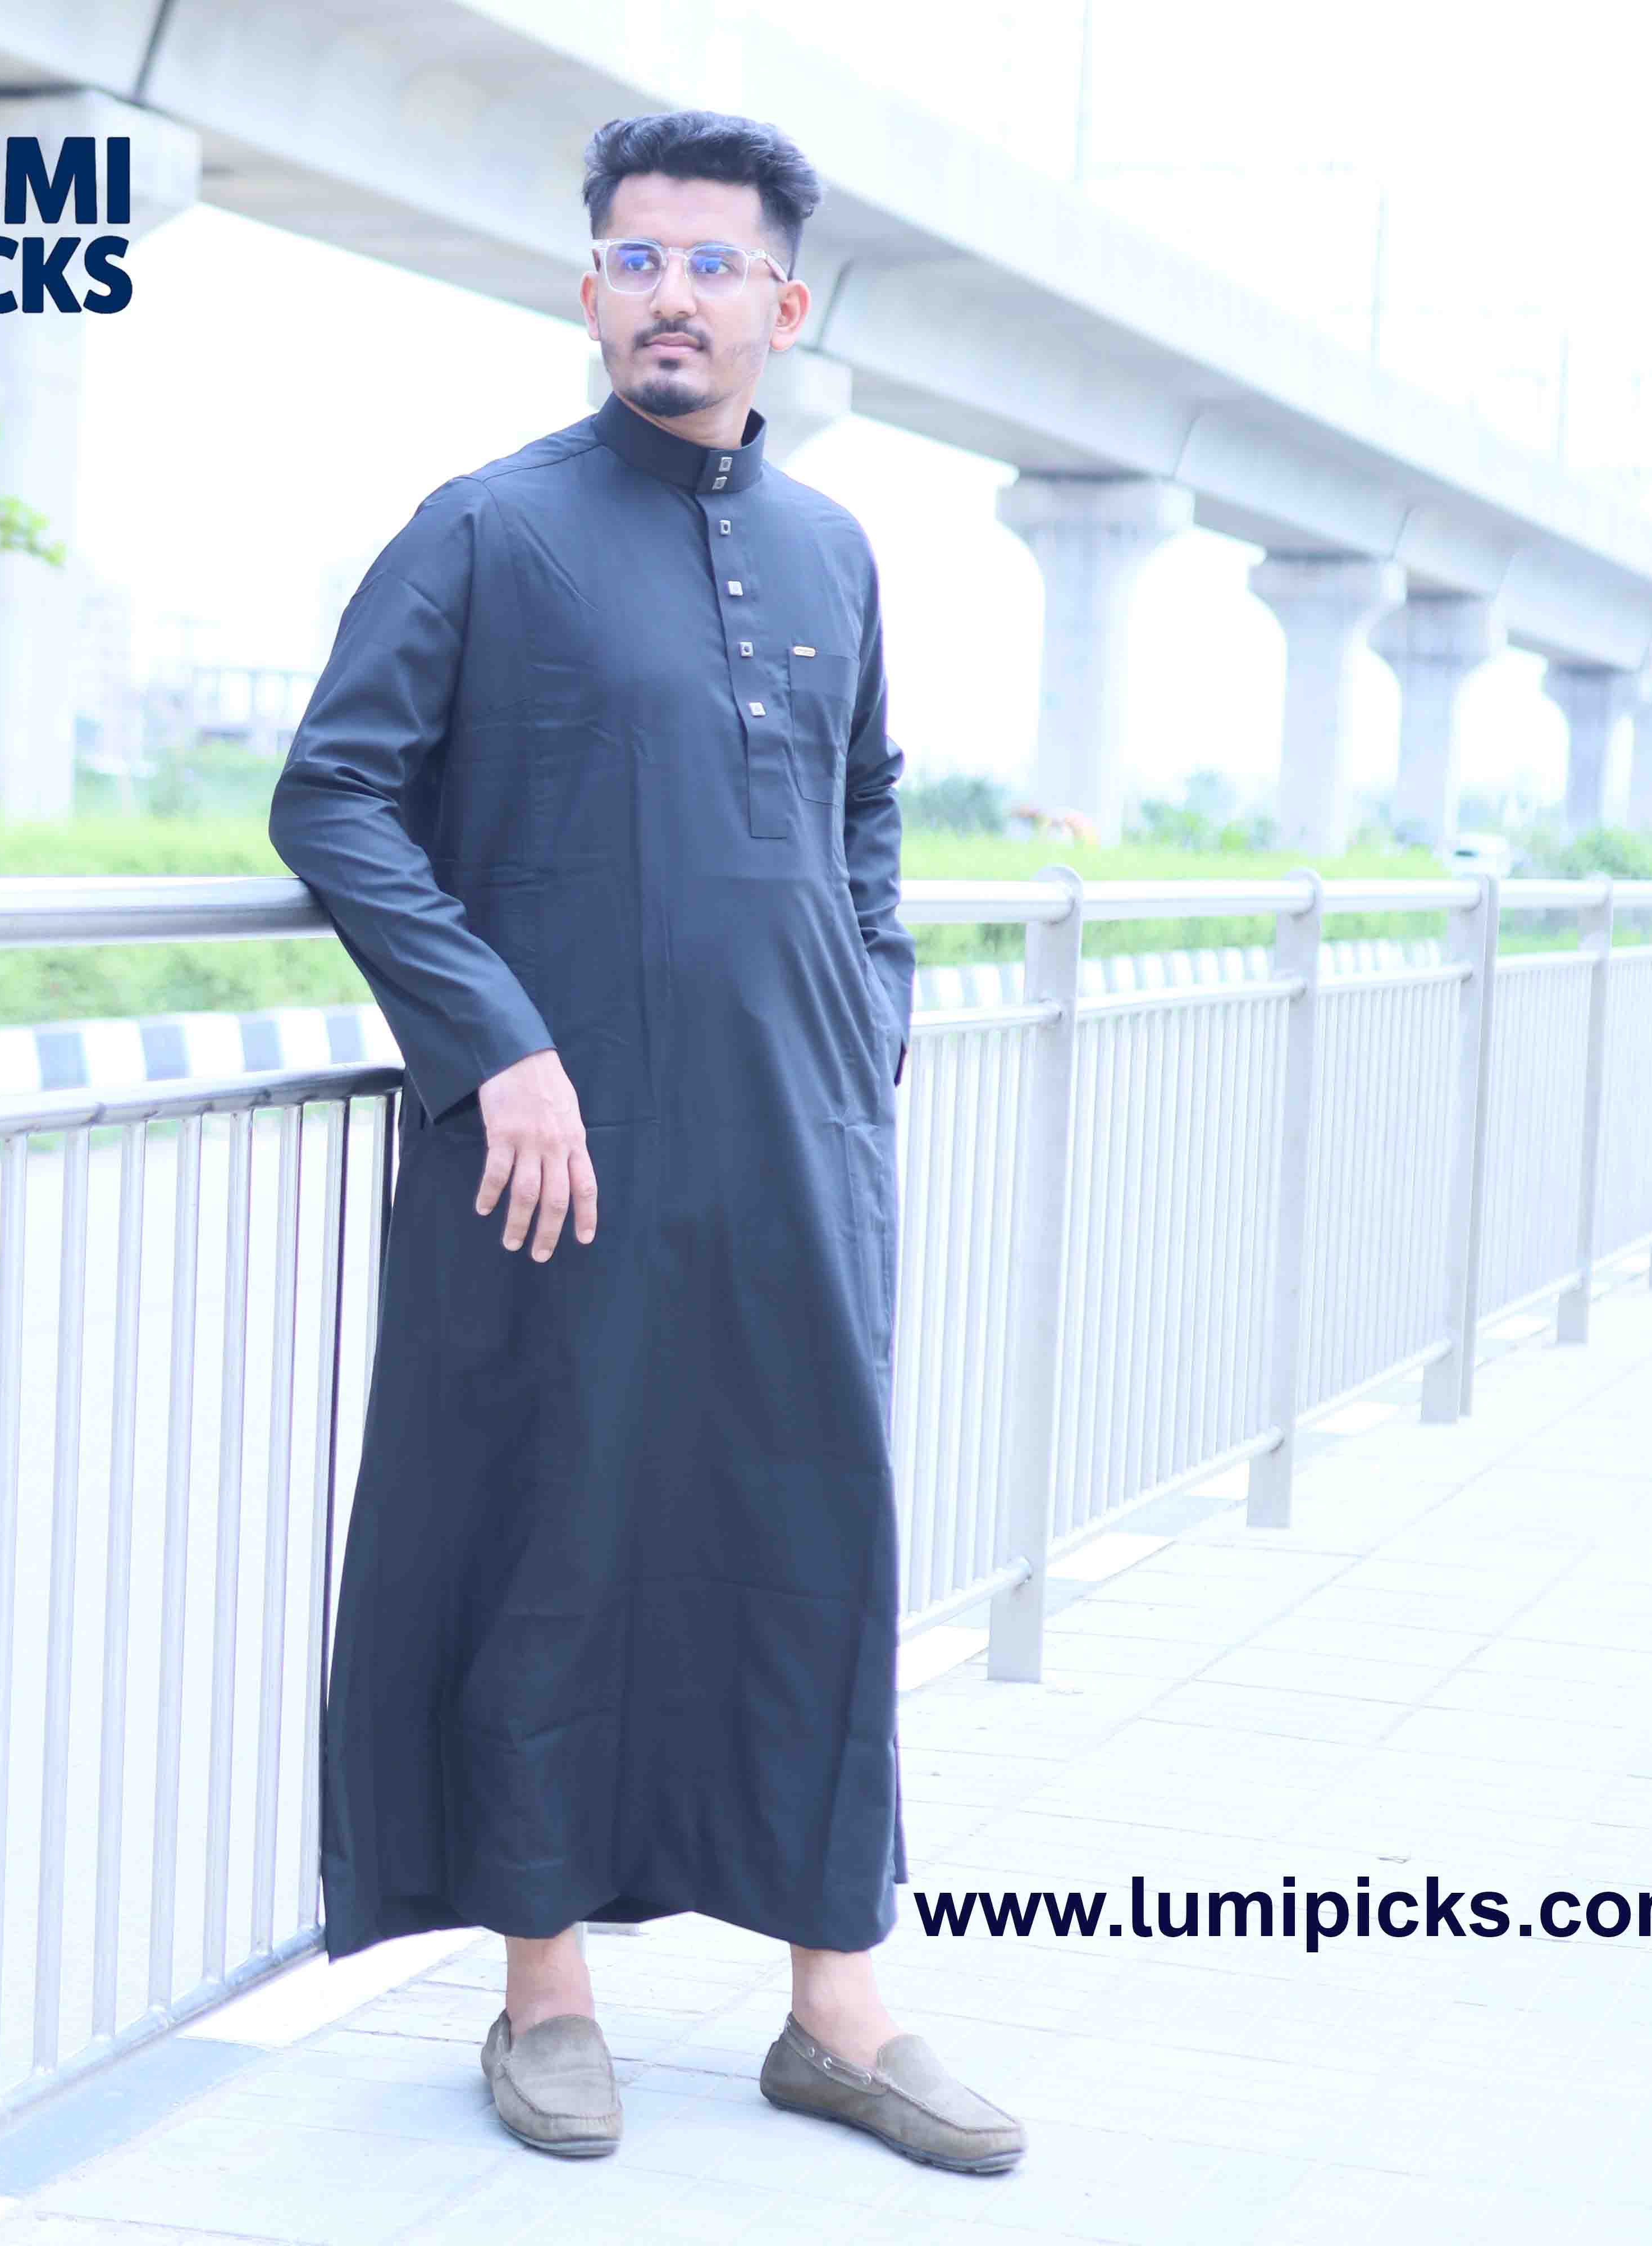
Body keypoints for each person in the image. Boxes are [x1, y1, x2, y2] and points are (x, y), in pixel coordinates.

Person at [268, 107, 1026, 2175]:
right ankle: (544, 1993)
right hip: (557, 1158)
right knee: (555, 1526)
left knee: (811, 1534)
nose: (668, 295)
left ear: (785, 303)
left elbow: (867, 806)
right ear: (589, 287)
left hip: (796, 1147)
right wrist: (495, 1042)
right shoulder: (487, 529)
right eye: (634, 258)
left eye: (709, 264)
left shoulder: (834, 549)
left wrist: (870, 1006)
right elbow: (336, 795)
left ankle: (836, 2008)